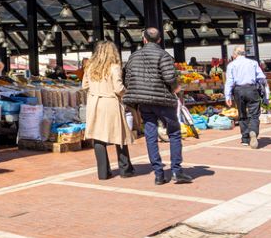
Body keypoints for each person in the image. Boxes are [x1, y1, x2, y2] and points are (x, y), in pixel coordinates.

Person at [122, 27, 192, 185]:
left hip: (144, 103)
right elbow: (169, 77)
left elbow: (127, 80)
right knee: (174, 133)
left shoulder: (133, 57)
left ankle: (159, 174)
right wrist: (176, 88)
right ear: (159, 40)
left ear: (144, 39)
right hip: (163, 101)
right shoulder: (164, 55)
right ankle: (176, 170)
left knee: (150, 134)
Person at [82, 41, 134, 180]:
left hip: (94, 103)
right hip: (110, 103)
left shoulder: (90, 67)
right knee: (119, 135)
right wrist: (126, 93)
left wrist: (95, 90)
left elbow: (84, 85)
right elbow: (118, 88)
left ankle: (103, 172)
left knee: (98, 137)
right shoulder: (114, 67)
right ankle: (125, 169)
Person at [224, 45, 269, 148]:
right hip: (251, 89)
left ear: (235, 55)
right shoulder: (253, 63)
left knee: (242, 114)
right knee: (254, 114)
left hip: (238, 90)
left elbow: (229, 81)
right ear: (245, 53)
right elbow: (261, 78)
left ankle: (245, 138)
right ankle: (253, 131)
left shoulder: (231, 65)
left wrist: (228, 96)